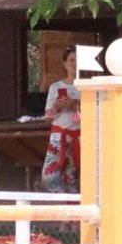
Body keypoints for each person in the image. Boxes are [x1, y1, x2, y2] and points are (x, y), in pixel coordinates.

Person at [41, 46, 81, 195]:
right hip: (58, 138)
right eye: (71, 60)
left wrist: (75, 104)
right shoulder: (55, 87)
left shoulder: (88, 88)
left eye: (78, 60)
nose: (74, 63)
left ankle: (71, 215)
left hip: (78, 137)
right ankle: (58, 208)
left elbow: (96, 112)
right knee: (50, 176)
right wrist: (56, 107)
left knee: (72, 177)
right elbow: (47, 119)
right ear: (64, 64)